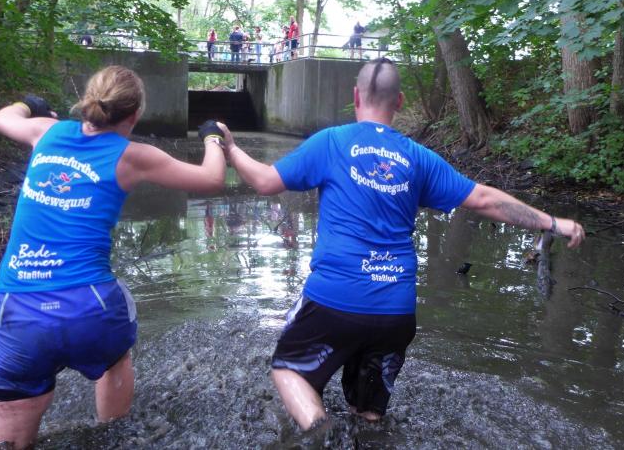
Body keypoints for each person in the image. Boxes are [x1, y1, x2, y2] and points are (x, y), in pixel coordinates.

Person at [217, 58, 585, 431]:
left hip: (335, 299)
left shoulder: (331, 142)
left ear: (356, 96)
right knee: (369, 412)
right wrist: (553, 222)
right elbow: (484, 199)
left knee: (289, 369)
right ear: (400, 101)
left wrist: (230, 149)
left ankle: (321, 433)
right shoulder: (420, 158)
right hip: (395, 311)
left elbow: (265, 181)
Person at [0, 66, 227, 449]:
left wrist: (28, 104)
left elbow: (1, 118)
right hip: (89, 308)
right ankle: (111, 432)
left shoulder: (46, 131)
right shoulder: (134, 156)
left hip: (17, 312)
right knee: (114, 355)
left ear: (87, 102)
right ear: (134, 115)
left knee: (2, 429)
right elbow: (211, 179)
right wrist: (212, 137)